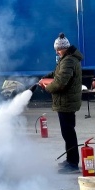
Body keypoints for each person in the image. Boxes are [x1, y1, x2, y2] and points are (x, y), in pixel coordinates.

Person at [39, 33, 83, 174]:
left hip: (66, 102)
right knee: (67, 132)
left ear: (65, 48)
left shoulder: (68, 61)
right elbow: (57, 73)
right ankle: (71, 160)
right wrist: (45, 78)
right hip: (66, 102)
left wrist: (47, 88)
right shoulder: (65, 59)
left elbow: (60, 82)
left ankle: (72, 164)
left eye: (58, 49)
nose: (57, 51)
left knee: (68, 133)